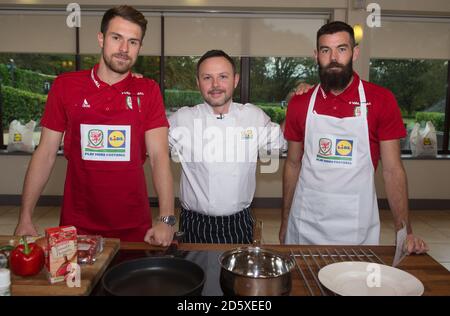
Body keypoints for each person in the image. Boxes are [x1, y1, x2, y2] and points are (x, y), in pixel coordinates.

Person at [14, 5, 175, 245]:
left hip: (134, 229)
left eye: (133, 42)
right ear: (101, 38)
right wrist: (25, 216)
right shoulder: (65, 86)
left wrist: (166, 219)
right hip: (76, 228)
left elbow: (159, 156)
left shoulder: (148, 90)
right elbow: (45, 153)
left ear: (140, 47)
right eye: (116, 38)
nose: (123, 49)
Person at [280, 21, 428, 253]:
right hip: (305, 226)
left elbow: (392, 171)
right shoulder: (300, 102)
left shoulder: (381, 100)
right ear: (316, 56)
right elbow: (292, 163)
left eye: (342, 48)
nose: (333, 58)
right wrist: (285, 220)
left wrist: (404, 231)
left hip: (356, 228)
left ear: (355, 52)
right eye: (325, 50)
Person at [168, 50, 286, 243]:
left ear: (235, 80)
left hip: (239, 223)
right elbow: (149, 140)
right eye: (207, 78)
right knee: (196, 274)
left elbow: (282, 142)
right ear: (198, 82)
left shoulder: (253, 117)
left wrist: (299, 103)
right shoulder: (182, 119)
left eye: (223, 77)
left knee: (237, 274)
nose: (215, 85)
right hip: (194, 223)